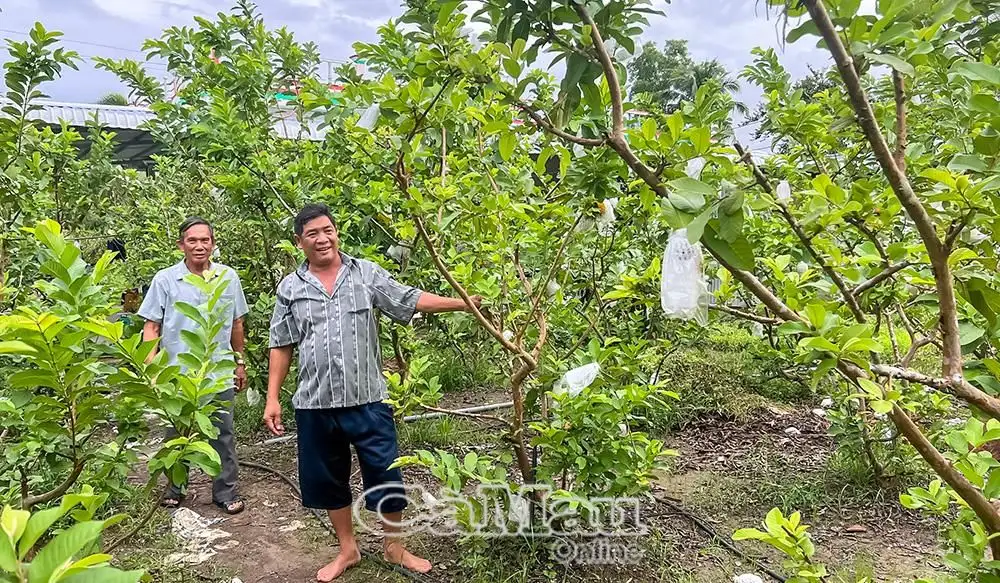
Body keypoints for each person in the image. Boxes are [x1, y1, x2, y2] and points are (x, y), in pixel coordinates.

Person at [265, 203, 481, 581]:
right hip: (315, 403)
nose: (322, 238)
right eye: (312, 233)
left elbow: (409, 298)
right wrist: (272, 397)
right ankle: (348, 550)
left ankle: (394, 546)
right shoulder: (290, 288)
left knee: (385, 474)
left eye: (327, 230)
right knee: (328, 479)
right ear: (300, 242)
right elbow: (281, 344)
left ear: (336, 232)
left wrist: (464, 304)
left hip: (368, 399)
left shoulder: (365, 274)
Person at [138, 216, 249, 514]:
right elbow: (152, 327)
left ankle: (225, 491)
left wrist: (240, 362)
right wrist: (152, 368)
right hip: (178, 374)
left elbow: (237, 323)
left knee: (222, 434)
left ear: (213, 243)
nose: (199, 246)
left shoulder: (228, 277)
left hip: (218, 372)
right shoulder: (165, 280)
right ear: (181, 245)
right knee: (176, 433)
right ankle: (175, 487)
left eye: (205, 240)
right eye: (192, 240)